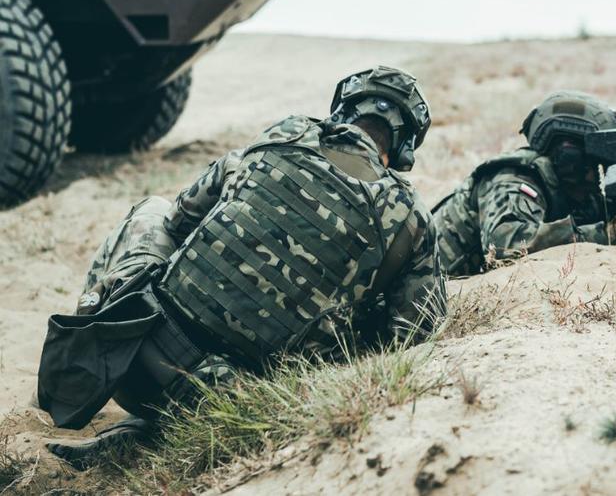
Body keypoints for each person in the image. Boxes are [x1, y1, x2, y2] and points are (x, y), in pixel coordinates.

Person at [38, 66, 443, 466]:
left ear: (343, 111)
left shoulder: (285, 134)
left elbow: (180, 217)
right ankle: (152, 430)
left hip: (134, 355)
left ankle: (83, 358)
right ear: (405, 145)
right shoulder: (410, 217)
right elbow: (412, 335)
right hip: (231, 404)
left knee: (151, 210)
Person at [430, 90, 616, 277]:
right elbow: (505, 248)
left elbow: (601, 220)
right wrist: (610, 233)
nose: (596, 170)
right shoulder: (514, 177)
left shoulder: (579, 188)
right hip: (441, 286)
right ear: (569, 154)